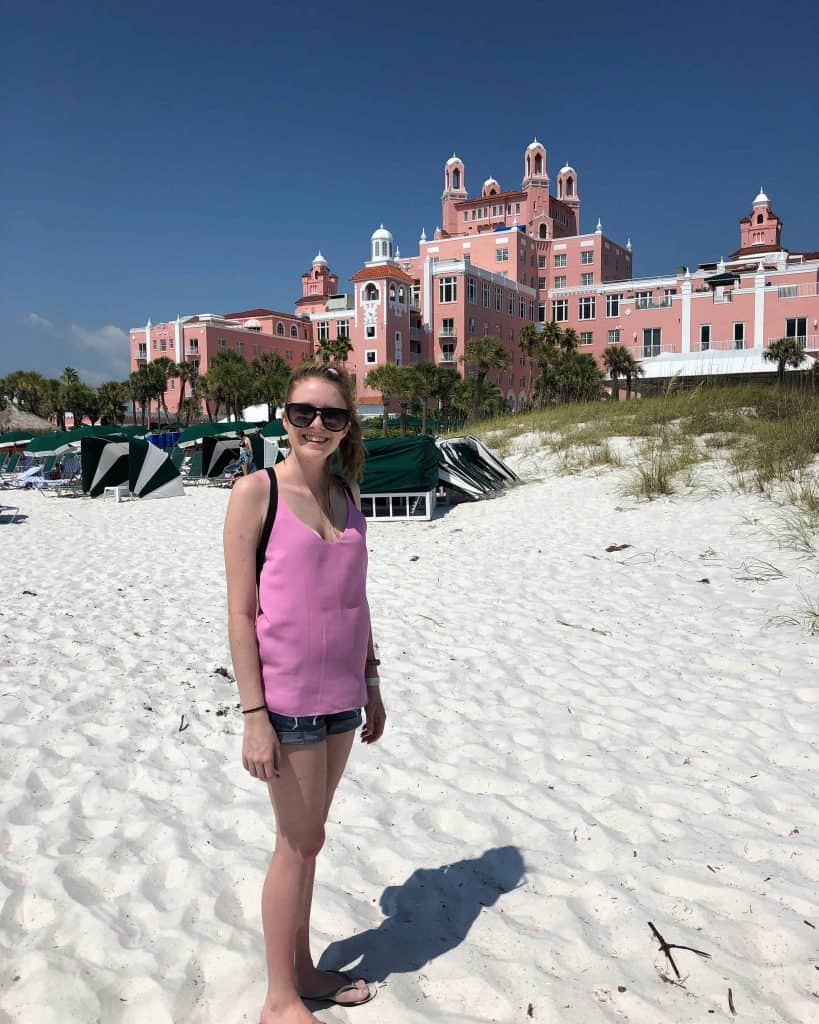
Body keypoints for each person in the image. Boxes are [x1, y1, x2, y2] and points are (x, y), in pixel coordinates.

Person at [223, 363, 387, 1024]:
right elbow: (240, 614)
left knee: (311, 840)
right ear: (283, 416)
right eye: (303, 412)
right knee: (295, 843)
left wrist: (373, 682)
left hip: (343, 698)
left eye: (332, 415)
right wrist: (254, 717)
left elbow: (357, 600)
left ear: (348, 425)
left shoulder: (349, 496)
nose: (316, 425)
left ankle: (303, 970)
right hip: (285, 703)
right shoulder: (255, 492)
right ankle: (279, 998)